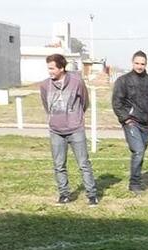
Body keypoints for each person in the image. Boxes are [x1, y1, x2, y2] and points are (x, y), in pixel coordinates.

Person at [39, 54, 98, 206]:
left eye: (52, 68)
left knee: (83, 163)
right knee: (59, 165)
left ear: (61, 67)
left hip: (75, 129)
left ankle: (92, 195)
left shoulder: (77, 81)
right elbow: (46, 105)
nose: (50, 71)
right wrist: (54, 119)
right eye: (48, 68)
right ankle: (64, 194)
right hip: (56, 131)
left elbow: (85, 102)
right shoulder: (45, 85)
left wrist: (75, 117)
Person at [112, 50, 148, 194]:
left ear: (146, 64)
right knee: (138, 151)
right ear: (132, 63)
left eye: (142, 64)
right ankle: (135, 184)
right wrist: (126, 119)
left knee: (141, 152)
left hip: (146, 124)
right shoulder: (123, 81)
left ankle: (136, 177)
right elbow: (116, 102)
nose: (139, 66)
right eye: (137, 63)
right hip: (131, 122)